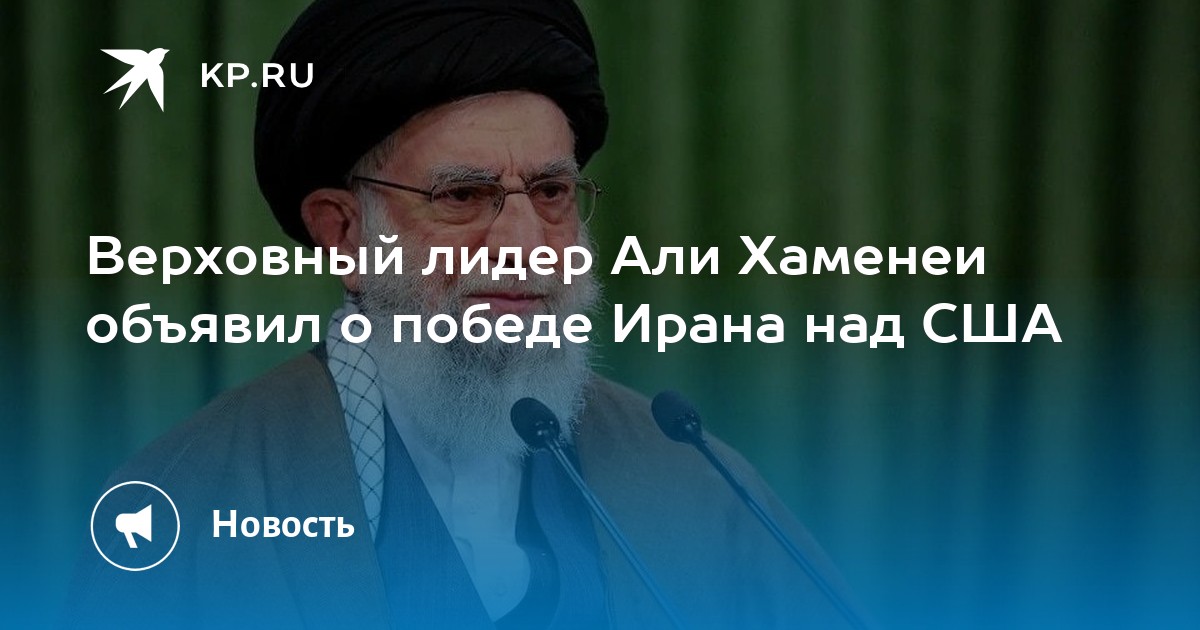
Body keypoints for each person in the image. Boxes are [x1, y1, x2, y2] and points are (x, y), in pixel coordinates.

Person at [66, 1, 865, 627]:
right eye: (462, 196)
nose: (525, 244)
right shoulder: (189, 497)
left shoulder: (687, 474)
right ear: (344, 235)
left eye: (550, 192)